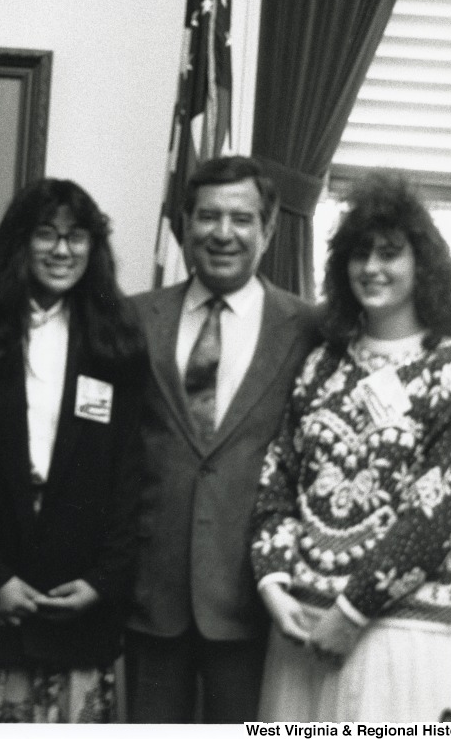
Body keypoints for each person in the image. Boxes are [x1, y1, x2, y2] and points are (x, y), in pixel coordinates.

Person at [250, 170, 451, 722]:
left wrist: (351, 614)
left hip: (393, 635)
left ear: (421, 265)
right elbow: (277, 479)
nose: (372, 268)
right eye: (360, 254)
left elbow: (434, 519)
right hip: (297, 629)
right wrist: (273, 588)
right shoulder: (322, 365)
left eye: (390, 253)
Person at [0, 178, 147, 723]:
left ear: (93, 247)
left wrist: (103, 581)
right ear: (19, 243)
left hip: (78, 594)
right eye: (44, 234)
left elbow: (127, 471)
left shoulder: (115, 337)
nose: (61, 250)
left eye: (76, 237)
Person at [124, 155, 326, 723]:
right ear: (183, 225)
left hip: (255, 599)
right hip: (150, 595)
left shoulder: (310, 329)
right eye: (207, 217)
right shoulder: (132, 318)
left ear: (268, 229)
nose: (222, 233)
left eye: (240, 219)